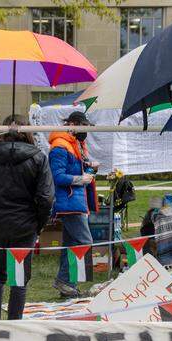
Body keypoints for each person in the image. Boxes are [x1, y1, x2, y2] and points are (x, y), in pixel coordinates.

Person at [0, 114, 55, 320]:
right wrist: (39, 225)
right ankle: (14, 323)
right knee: (18, 279)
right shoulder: (37, 157)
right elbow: (46, 198)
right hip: (24, 226)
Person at [49, 111, 97, 297]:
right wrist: (80, 179)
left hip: (75, 202)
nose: (86, 130)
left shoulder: (75, 143)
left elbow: (76, 170)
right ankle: (65, 281)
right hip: (68, 203)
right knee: (84, 242)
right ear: (72, 124)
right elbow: (57, 177)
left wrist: (91, 168)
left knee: (70, 244)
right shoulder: (60, 146)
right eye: (83, 126)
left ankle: (67, 284)